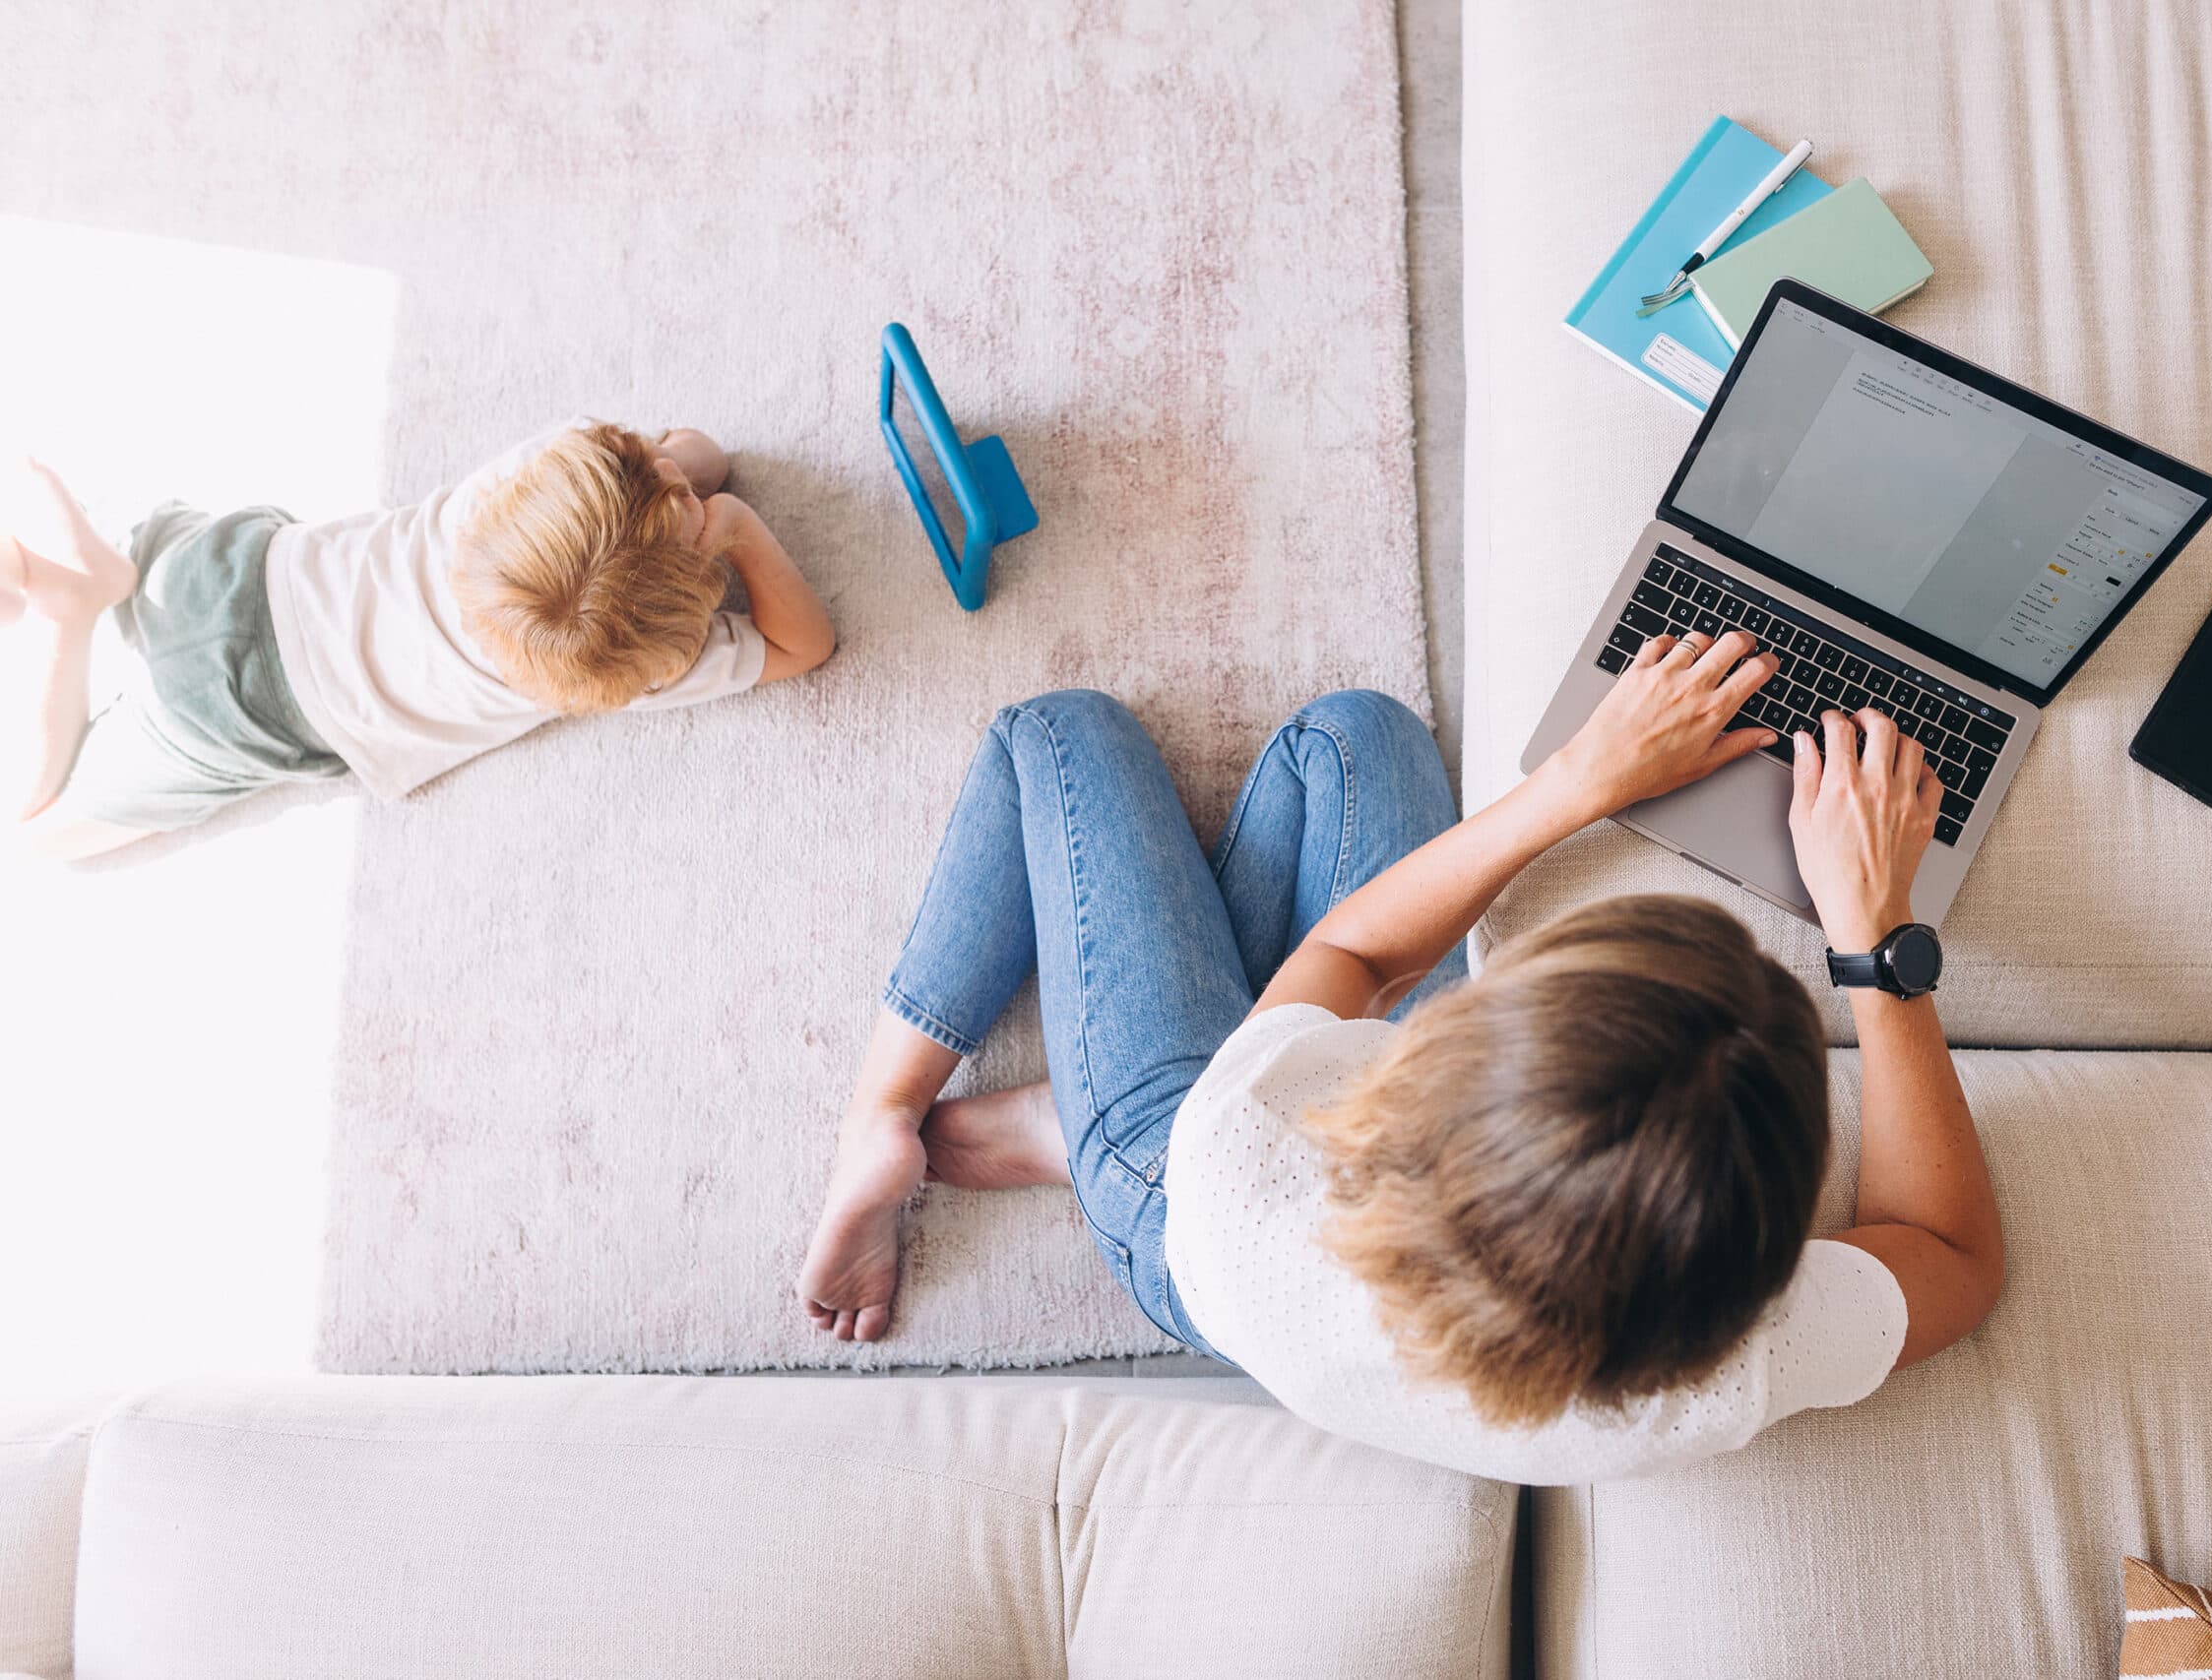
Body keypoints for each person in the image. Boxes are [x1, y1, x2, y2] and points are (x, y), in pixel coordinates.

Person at [796, 627, 2002, 1482]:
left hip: (1176, 1194)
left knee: (1060, 733)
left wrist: (1580, 780)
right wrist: (1871, 946)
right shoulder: (1729, 1362)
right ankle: (1076, 1111)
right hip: (1269, 1160)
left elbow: (1361, 957)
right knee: (1353, 738)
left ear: (1428, 1071)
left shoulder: (1266, 1144)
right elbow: (1955, 1255)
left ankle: (903, 1126)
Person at [1, 422, 836, 860]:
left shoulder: (540, 469)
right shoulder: (629, 670)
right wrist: (737, 530)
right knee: (39, 833)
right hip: (241, 710)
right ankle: (74, 612)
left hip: (229, 561)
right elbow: (808, 646)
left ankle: (110, 578)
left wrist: (673, 480)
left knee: (158, 551)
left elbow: (696, 450)